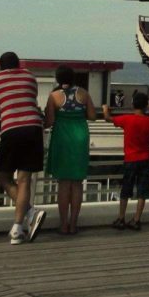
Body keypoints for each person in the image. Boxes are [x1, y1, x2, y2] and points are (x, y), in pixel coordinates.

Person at [0, 51, 46, 244]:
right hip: (33, 128)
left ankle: (30, 213)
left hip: (11, 129)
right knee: (24, 180)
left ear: (1, 66)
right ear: (19, 64)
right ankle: (18, 228)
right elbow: (32, 96)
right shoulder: (29, 76)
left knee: (3, 176)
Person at [45, 65, 97, 235]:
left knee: (63, 184)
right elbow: (92, 116)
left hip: (62, 138)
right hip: (80, 137)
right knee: (76, 184)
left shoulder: (54, 96)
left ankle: (63, 224)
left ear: (58, 79)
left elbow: (50, 121)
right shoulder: (83, 93)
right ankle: (74, 224)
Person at [106, 90, 149, 230]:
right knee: (142, 190)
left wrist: (106, 109)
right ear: (146, 105)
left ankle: (121, 218)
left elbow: (108, 118)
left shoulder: (127, 119)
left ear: (132, 104)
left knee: (126, 189)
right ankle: (136, 219)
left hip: (130, 159)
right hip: (146, 158)